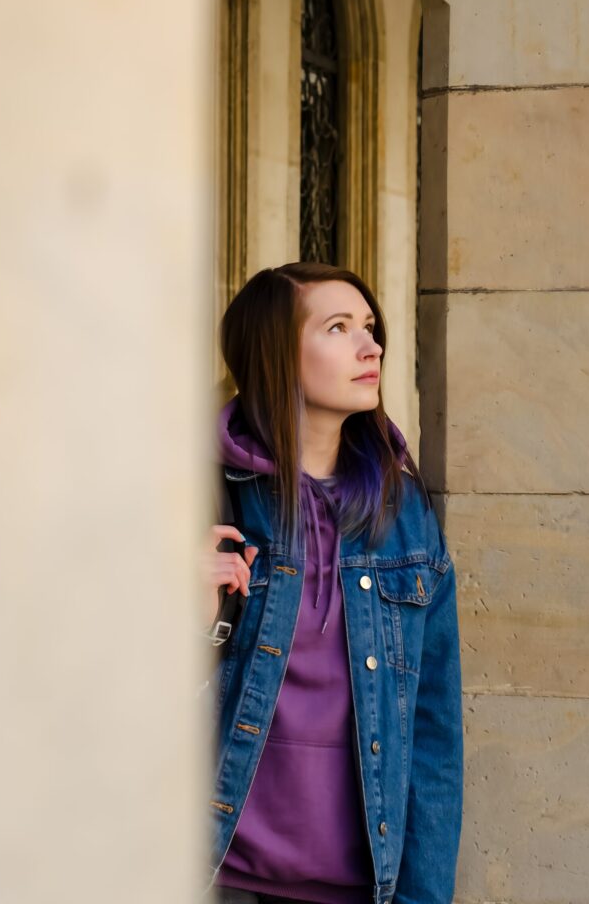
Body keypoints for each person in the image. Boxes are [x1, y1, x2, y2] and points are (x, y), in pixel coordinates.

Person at [200, 262, 463, 904]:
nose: (370, 347)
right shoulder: (200, 496)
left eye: (369, 328)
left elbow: (433, 733)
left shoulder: (403, 516)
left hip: (357, 885)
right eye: (338, 328)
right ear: (274, 354)